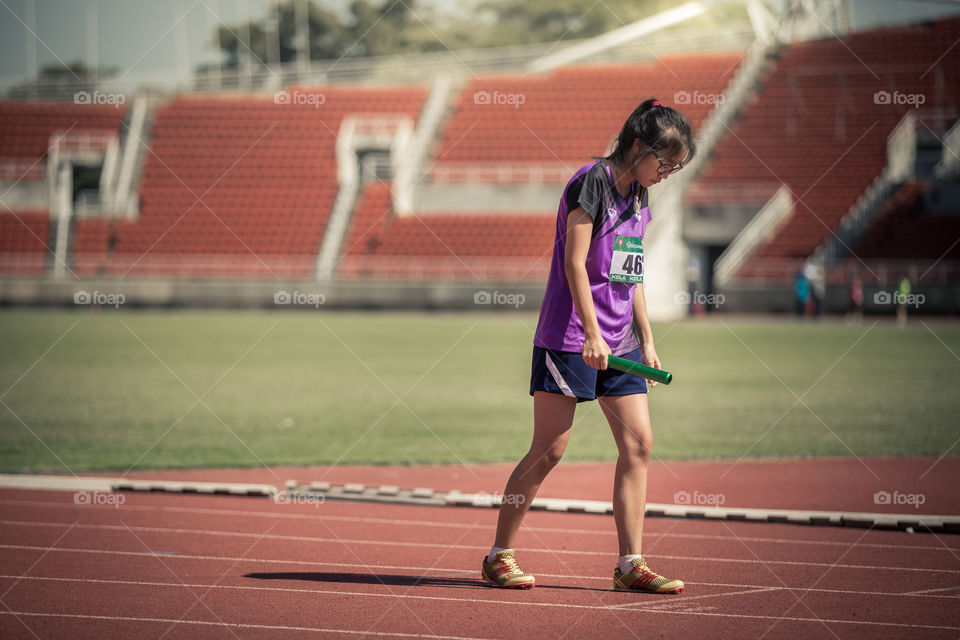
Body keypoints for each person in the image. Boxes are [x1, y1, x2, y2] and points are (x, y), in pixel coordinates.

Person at [481, 98, 693, 594]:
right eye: (664, 163)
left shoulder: (640, 195)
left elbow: (630, 274)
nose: (666, 173)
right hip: (570, 338)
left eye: (674, 167)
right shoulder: (592, 182)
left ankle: (630, 566)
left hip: (619, 342)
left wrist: (646, 338)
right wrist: (592, 334)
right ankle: (499, 556)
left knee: (639, 444)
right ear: (639, 147)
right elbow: (576, 263)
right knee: (550, 449)